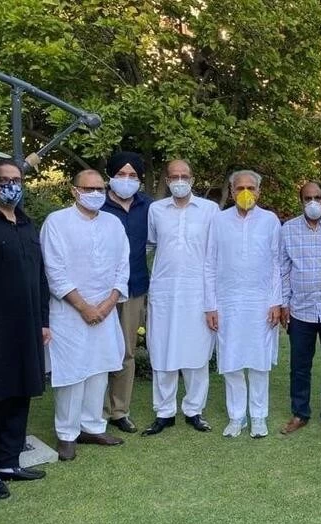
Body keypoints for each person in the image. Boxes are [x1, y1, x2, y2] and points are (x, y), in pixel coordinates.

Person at [41, 169, 129, 461]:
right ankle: (67, 433)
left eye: (100, 189)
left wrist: (108, 303)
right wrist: (83, 307)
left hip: (105, 311)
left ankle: (92, 427)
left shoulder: (113, 223)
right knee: (72, 373)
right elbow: (54, 270)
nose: (95, 194)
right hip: (69, 313)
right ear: (74, 190)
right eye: (88, 189)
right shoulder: (57, 222)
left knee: (99, 369)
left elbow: (123, 267)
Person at [0, 160, 48, 500]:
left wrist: (44, 322)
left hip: (27, 326)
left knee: (20, 391)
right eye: (3, 180)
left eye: (16, 180)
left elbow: (39, 275)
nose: (11, 186)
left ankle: (9, 461)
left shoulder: (25, 222)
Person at [141, 160, 218, 436]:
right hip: (164, 291)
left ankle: (194, 409)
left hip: (198, 291)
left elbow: (215, 253)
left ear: (193, 179)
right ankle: (164, 412)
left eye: (184, 176)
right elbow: (150, 245)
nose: (180, 181)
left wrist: (213, 300)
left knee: (197, 353)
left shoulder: (210, 210)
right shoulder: (156, 210)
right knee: (162, 350)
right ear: (167, 180)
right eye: (174, 176)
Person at [204, 170, 281, 438]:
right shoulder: (219, 220)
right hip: (228, 302)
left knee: (259, 362)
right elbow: (210, 263)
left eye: (251, 187)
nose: (245, 192)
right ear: (231, 190)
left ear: (259, 191)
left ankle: (259, 416)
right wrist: (210, 305)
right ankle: (237, 417)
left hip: (261, 302)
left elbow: (277, 264)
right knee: (232, 361)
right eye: (239, 188)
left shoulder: (270, 220)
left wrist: (276, 301)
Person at [279, 182, 321, 437]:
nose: (313, 203)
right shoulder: (288, 230)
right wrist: (284, 304)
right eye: (308, 198)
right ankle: (300, 413)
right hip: (301, 310)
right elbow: (283, 270)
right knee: (299, 366)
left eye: (317, 197)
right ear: (301, 201)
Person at [101, 151, 153, 433]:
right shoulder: (97, 203)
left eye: (133, 175)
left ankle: (119, 410)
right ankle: (95, 411)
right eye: (121, 174)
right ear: (110, 176)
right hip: (99, 291)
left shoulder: (149, 206)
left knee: (126, 350)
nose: (126, 179)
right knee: (98, 350)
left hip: (134, 288)